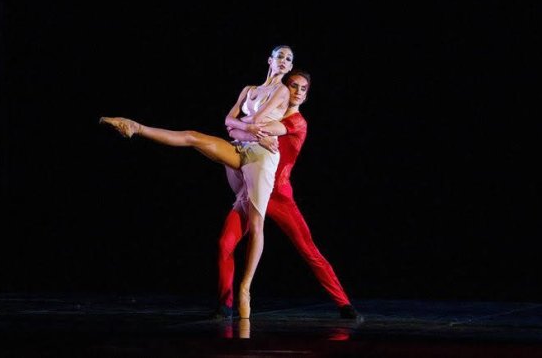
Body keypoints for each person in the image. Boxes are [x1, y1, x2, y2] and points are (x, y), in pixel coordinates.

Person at [100, 45, 294, 319]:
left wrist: (242, 126)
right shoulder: (249, 89)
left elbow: (256, 121)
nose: (284, 61)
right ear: (270, 60)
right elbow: (229, 121)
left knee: (255, 224)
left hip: (262, 157)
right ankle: (135, 127)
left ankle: (245, 288)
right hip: (240, 148)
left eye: (289, 59)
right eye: (280, 56)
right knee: (193, 137)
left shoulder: (282, 91)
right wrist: (244, 127)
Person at [216, 70, 364, 322]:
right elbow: (234, 132)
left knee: (308, 249)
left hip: (279, 196)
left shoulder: (297, 122)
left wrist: (245, 128)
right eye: (293, 86)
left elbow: (246, 128)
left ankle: (344, 304)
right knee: (224, 245)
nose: (297, 91)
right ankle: (225, 305)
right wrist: (245, 129)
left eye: (302, 89)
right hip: (251, 190)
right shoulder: (269, 112)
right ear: (283, 90)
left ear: (306, 96)